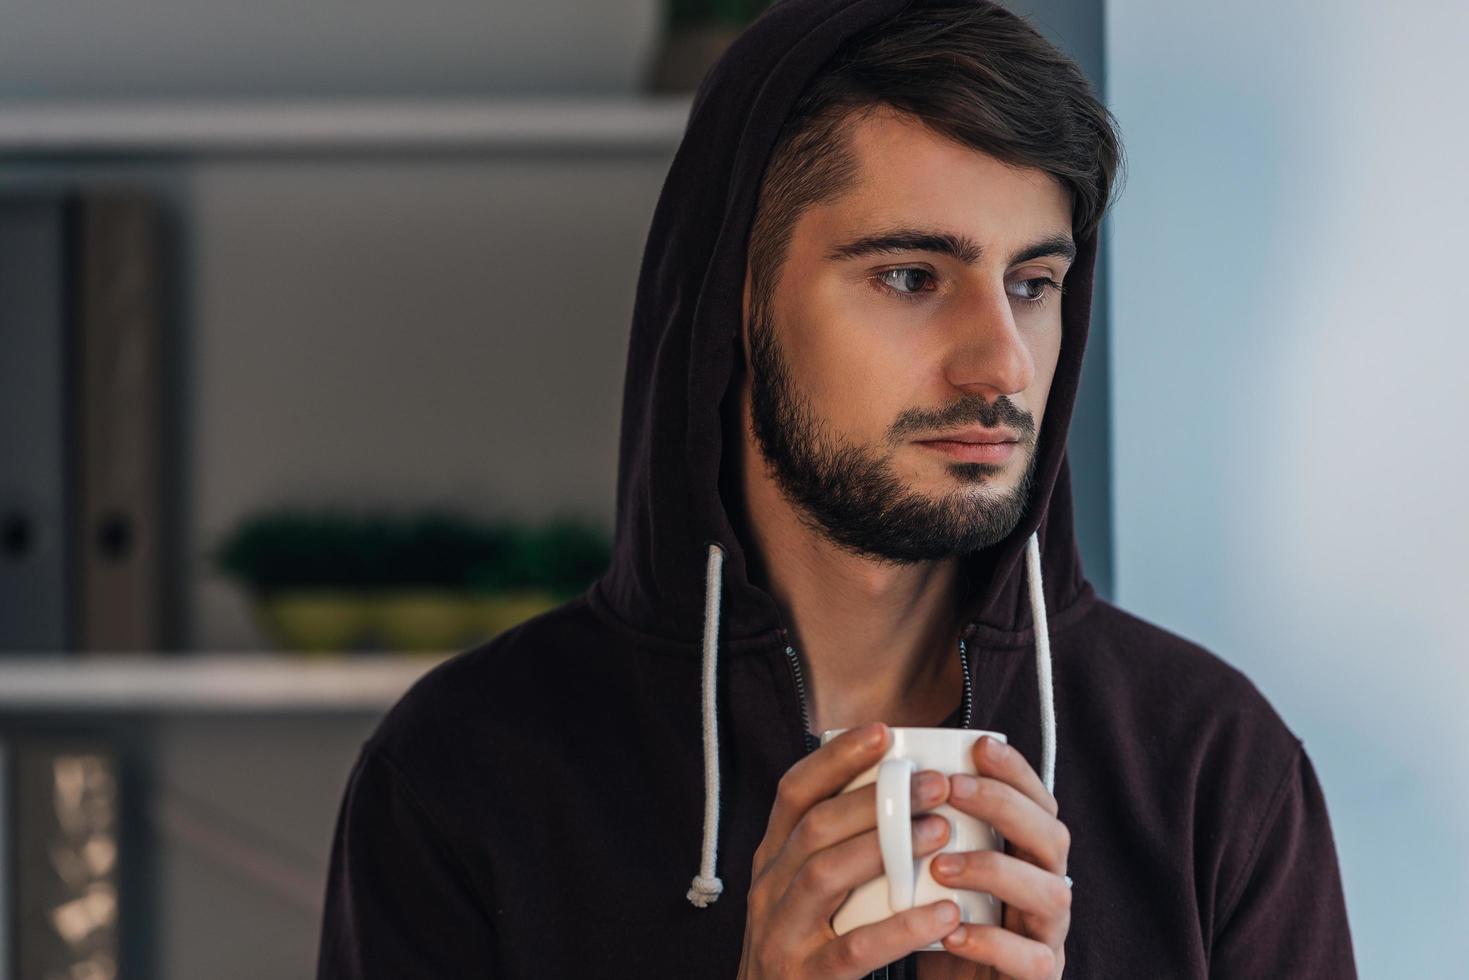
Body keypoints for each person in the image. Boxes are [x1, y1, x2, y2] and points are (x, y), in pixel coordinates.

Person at [315, 0, 1358, 977]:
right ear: (734, 306)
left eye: (1031, 284)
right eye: (909, 276)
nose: (999, 366)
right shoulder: (465, 773)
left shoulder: (1210, 770)